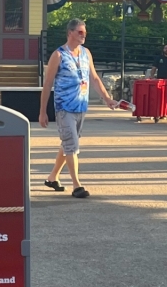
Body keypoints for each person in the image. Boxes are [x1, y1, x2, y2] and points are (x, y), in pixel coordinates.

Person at [38, 18, 116, 198]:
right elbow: (48, 83)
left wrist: (107, 98)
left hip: (81, 106)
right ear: (70, 33)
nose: (83, 36)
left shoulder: (86, 53)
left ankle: (52, 177)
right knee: (72, 144)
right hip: (64, 107)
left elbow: (94, 78)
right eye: (80, 32)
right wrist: (42, 111)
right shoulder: (58, 55)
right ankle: (76, 185)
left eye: (85, 33)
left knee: (68, 143)